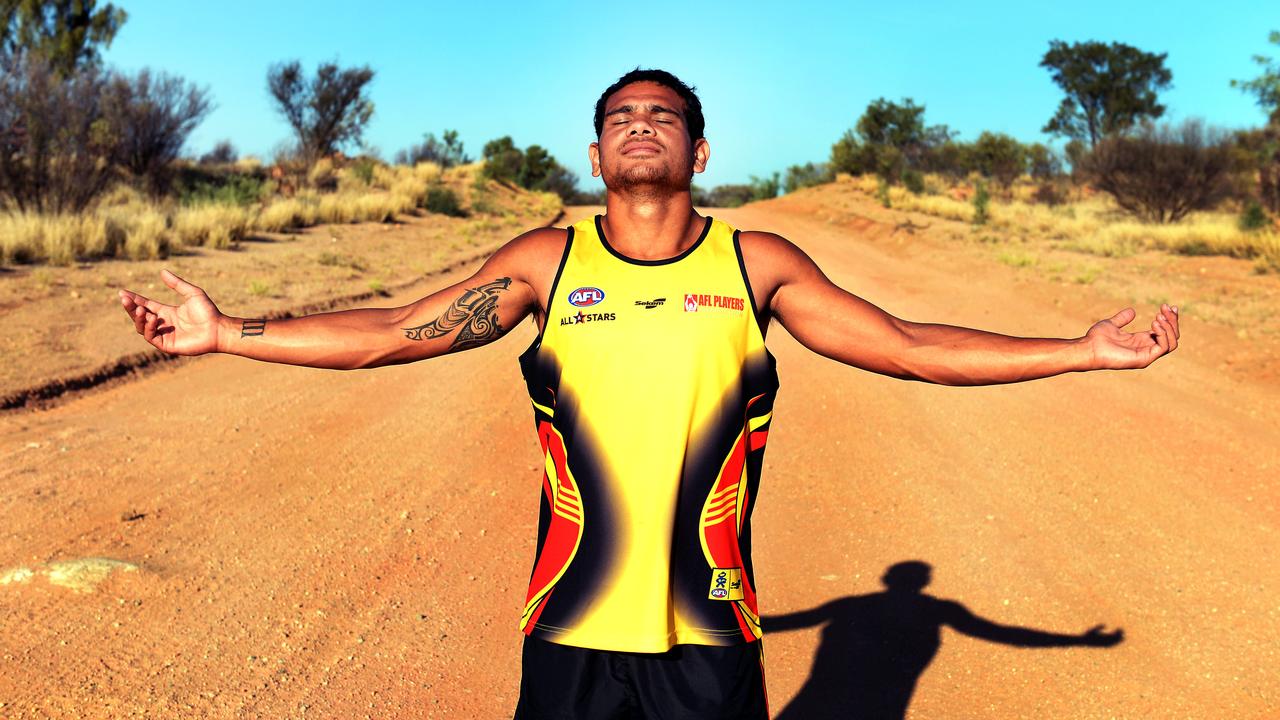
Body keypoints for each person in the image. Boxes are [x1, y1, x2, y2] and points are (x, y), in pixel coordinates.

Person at [118, 68, 1180, 719]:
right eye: (619, 116)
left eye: (662, 116)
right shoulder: (547, 261)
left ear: (698, 149)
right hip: (568, 626)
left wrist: (1078, 350)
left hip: (707, 636)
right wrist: (230, 334)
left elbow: (905, 346)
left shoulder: (754, 265)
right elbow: (396, 334)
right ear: (592, 151)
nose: (638, 126)